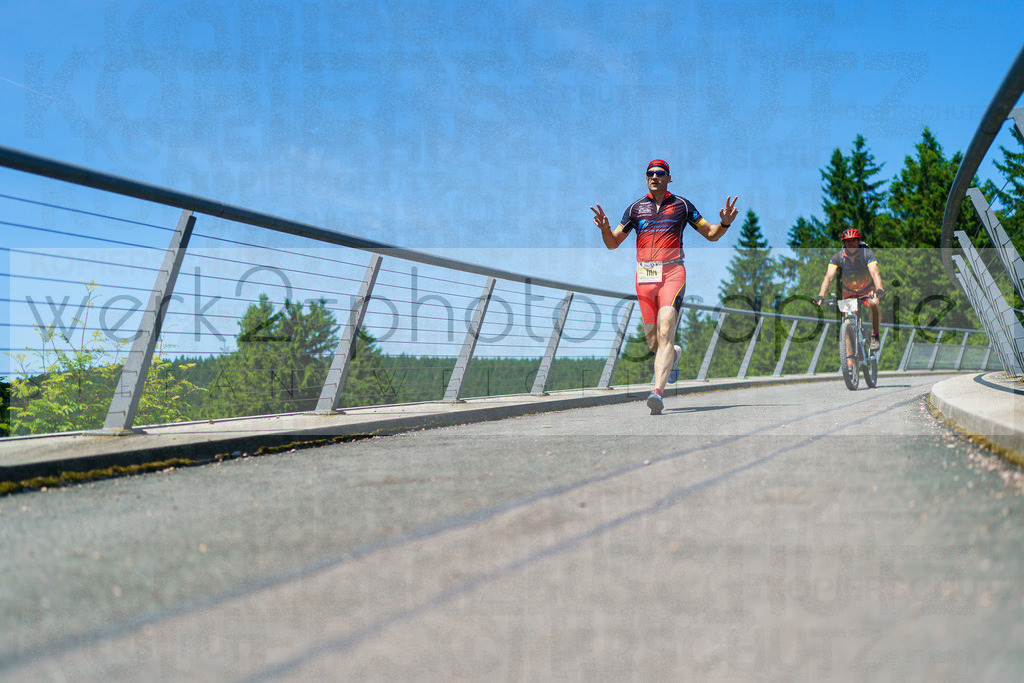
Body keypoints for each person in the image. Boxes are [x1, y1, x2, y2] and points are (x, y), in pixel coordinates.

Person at [590, 159, 738, 415]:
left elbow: (711, 234)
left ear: (669, 178)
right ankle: (674, 356)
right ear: (646, 178)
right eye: (650, 173)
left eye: (660, 173)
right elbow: (613, 243)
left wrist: (724, 223)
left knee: (666, 329)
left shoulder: (682, 206)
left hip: (672, 273)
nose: (654, 177)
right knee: (654, 343)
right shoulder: (635, 209)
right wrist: (604, 228)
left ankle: (657, 392)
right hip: (645, 277)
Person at [812, 227, 885, 358]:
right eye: (848, 241)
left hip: (866, 290)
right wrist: (821, 295)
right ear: (844, 243)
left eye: (853, 241)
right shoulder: (837, 257)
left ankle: (875, 335)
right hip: (849, 293)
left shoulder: (866, 254)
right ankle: (850, 364)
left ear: (858, 241)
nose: (851, 244)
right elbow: (828, 277)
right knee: (846, 326)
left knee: (874, 303)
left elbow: (875, 273)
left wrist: (879, 288)